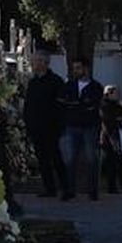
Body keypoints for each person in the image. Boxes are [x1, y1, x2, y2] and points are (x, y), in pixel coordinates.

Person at [57, 57, 104, 201]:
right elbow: (63, 102)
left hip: (90, 126)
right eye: (74, 68)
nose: (76, 71)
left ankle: (93, 190)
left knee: (92, 159)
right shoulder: (69, 85)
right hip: (72, 126)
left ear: (86, 69)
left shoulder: (96, 87)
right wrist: (78, 105)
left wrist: (78, 105)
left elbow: (92, 105)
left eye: (78, 68)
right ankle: (69, 190)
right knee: (69, 159)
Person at [22, 51, 66, 197]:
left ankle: (66, 188)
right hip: (36, 127)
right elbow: (28, 105)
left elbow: (60, 106)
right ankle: (50, 188)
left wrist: (59, 126)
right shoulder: (33, 82)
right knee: (42, 159)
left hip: (51, 127)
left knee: (55, 157)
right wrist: (28, 122)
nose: (33, 64)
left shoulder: (56, 81)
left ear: (43, 62)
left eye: (35, 61)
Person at [99, 85, 122, 195]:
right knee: (111, 163)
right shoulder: (104, 105)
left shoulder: (118, 105)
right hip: (110, 138)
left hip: (120, 136)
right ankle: (112, 187)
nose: (117, 95)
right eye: (114, 93)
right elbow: (108, 121)